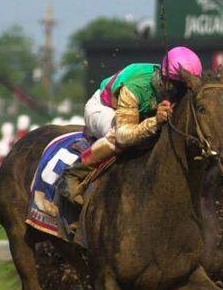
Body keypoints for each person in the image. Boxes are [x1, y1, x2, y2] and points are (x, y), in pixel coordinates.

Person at [62, 46, 203, 205]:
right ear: (165, 79)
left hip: (140, 114)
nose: (184, 92)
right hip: (106, 108)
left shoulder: (175, 87)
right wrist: (155, 121)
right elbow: (124, 135)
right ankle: (74, 173)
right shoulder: (136, 87)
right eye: (180, 85)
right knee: (118, 138)